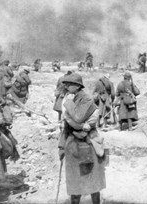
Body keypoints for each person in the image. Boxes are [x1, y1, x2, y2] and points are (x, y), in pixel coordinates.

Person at [58, 73, 106, 204]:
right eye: (65, 84)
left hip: (88, 144)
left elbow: (78, 117)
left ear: (78, 86)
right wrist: (61, 146)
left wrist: (68, 102)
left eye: (69, 84)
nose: (66, 86)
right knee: (74, 184)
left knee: (93, 183)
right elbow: (66, 125)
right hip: (72, 144)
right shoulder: (70, 97)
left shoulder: (87, 99)